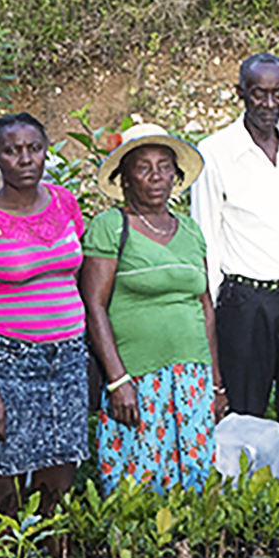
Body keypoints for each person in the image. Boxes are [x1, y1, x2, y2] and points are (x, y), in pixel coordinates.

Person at [195, 54, 279, 476]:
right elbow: (207, 235)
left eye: (278, 93)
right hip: (245, 301)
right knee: (243, 414)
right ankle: (242, 519)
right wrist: (213, 311)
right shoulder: (215, 152)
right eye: (259, 93)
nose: (269, 103)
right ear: (242, 94)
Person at [0, 113, 88, 508]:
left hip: (68, 358)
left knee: (59, 478)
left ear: (46, 152)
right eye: (12, 151)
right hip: (8, 363)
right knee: (4, 486)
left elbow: (73, 279)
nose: (25, 159)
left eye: (34, 148)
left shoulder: (65, 203)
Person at [83, 127, 218, 494]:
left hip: (192, 378)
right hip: (138, 379)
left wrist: (216, 382)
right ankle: (138, 554)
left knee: (193, 477)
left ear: (176, 175)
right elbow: (94, 306)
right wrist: (117, 380)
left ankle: (188, 553)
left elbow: (205, 306)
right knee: (136, 481)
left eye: (164, 166)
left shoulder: (191, 231)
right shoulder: (110, 227)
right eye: (143, 168)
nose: (156, 176)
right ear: (124, 179)